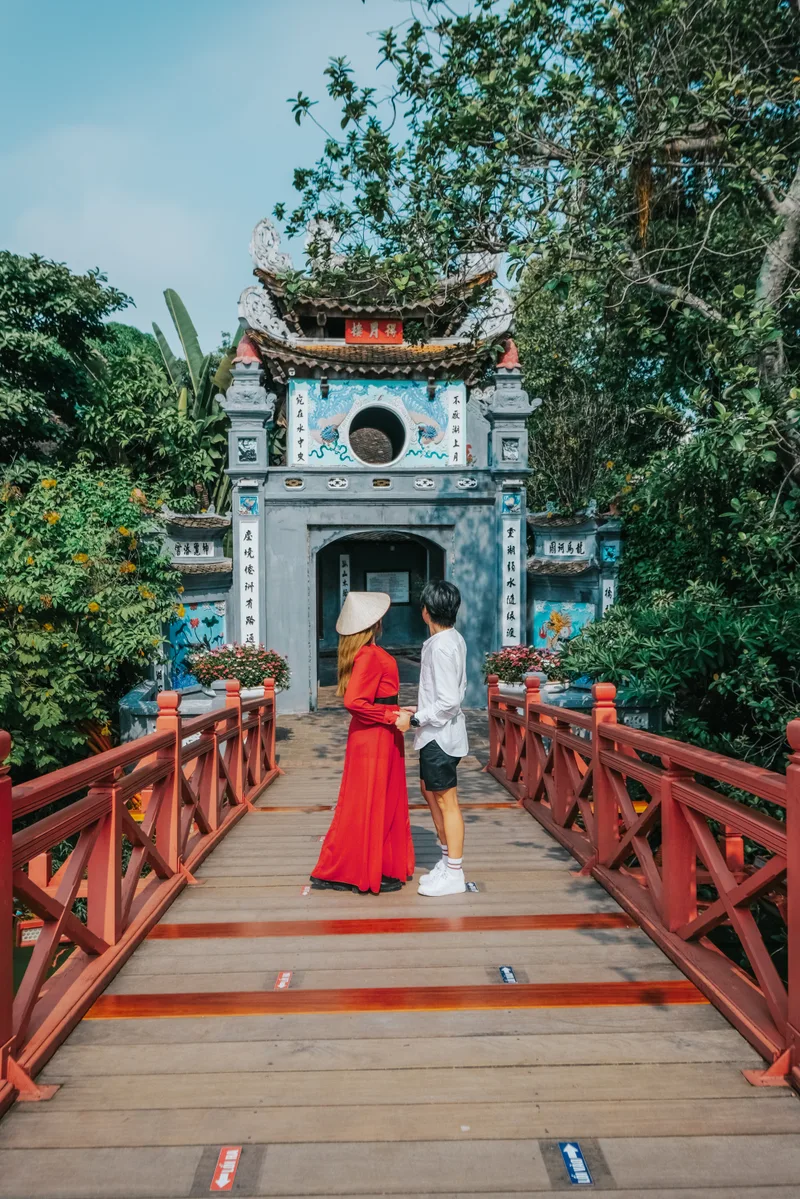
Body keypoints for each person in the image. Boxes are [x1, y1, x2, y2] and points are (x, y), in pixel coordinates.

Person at [311, 590, 415, 895]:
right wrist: (389, 715)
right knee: (367, 802)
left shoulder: (365, 653)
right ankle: (353, 869)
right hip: (375, 738)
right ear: (375, 623)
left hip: (377, 734)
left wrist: (397, 709)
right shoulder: (369, 655)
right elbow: (354, 701)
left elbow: (373, 697)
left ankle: (365, 864)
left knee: (370, 802)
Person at [407, 580, 469, 897]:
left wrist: (417, 717)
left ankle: (455, 871)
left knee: (447, 801)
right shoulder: (451, 639)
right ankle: (447, 862)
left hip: (440, 736)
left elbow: (448, 702)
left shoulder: (442, 646)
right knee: (431, 793)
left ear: (426, 611)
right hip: (437, 733)